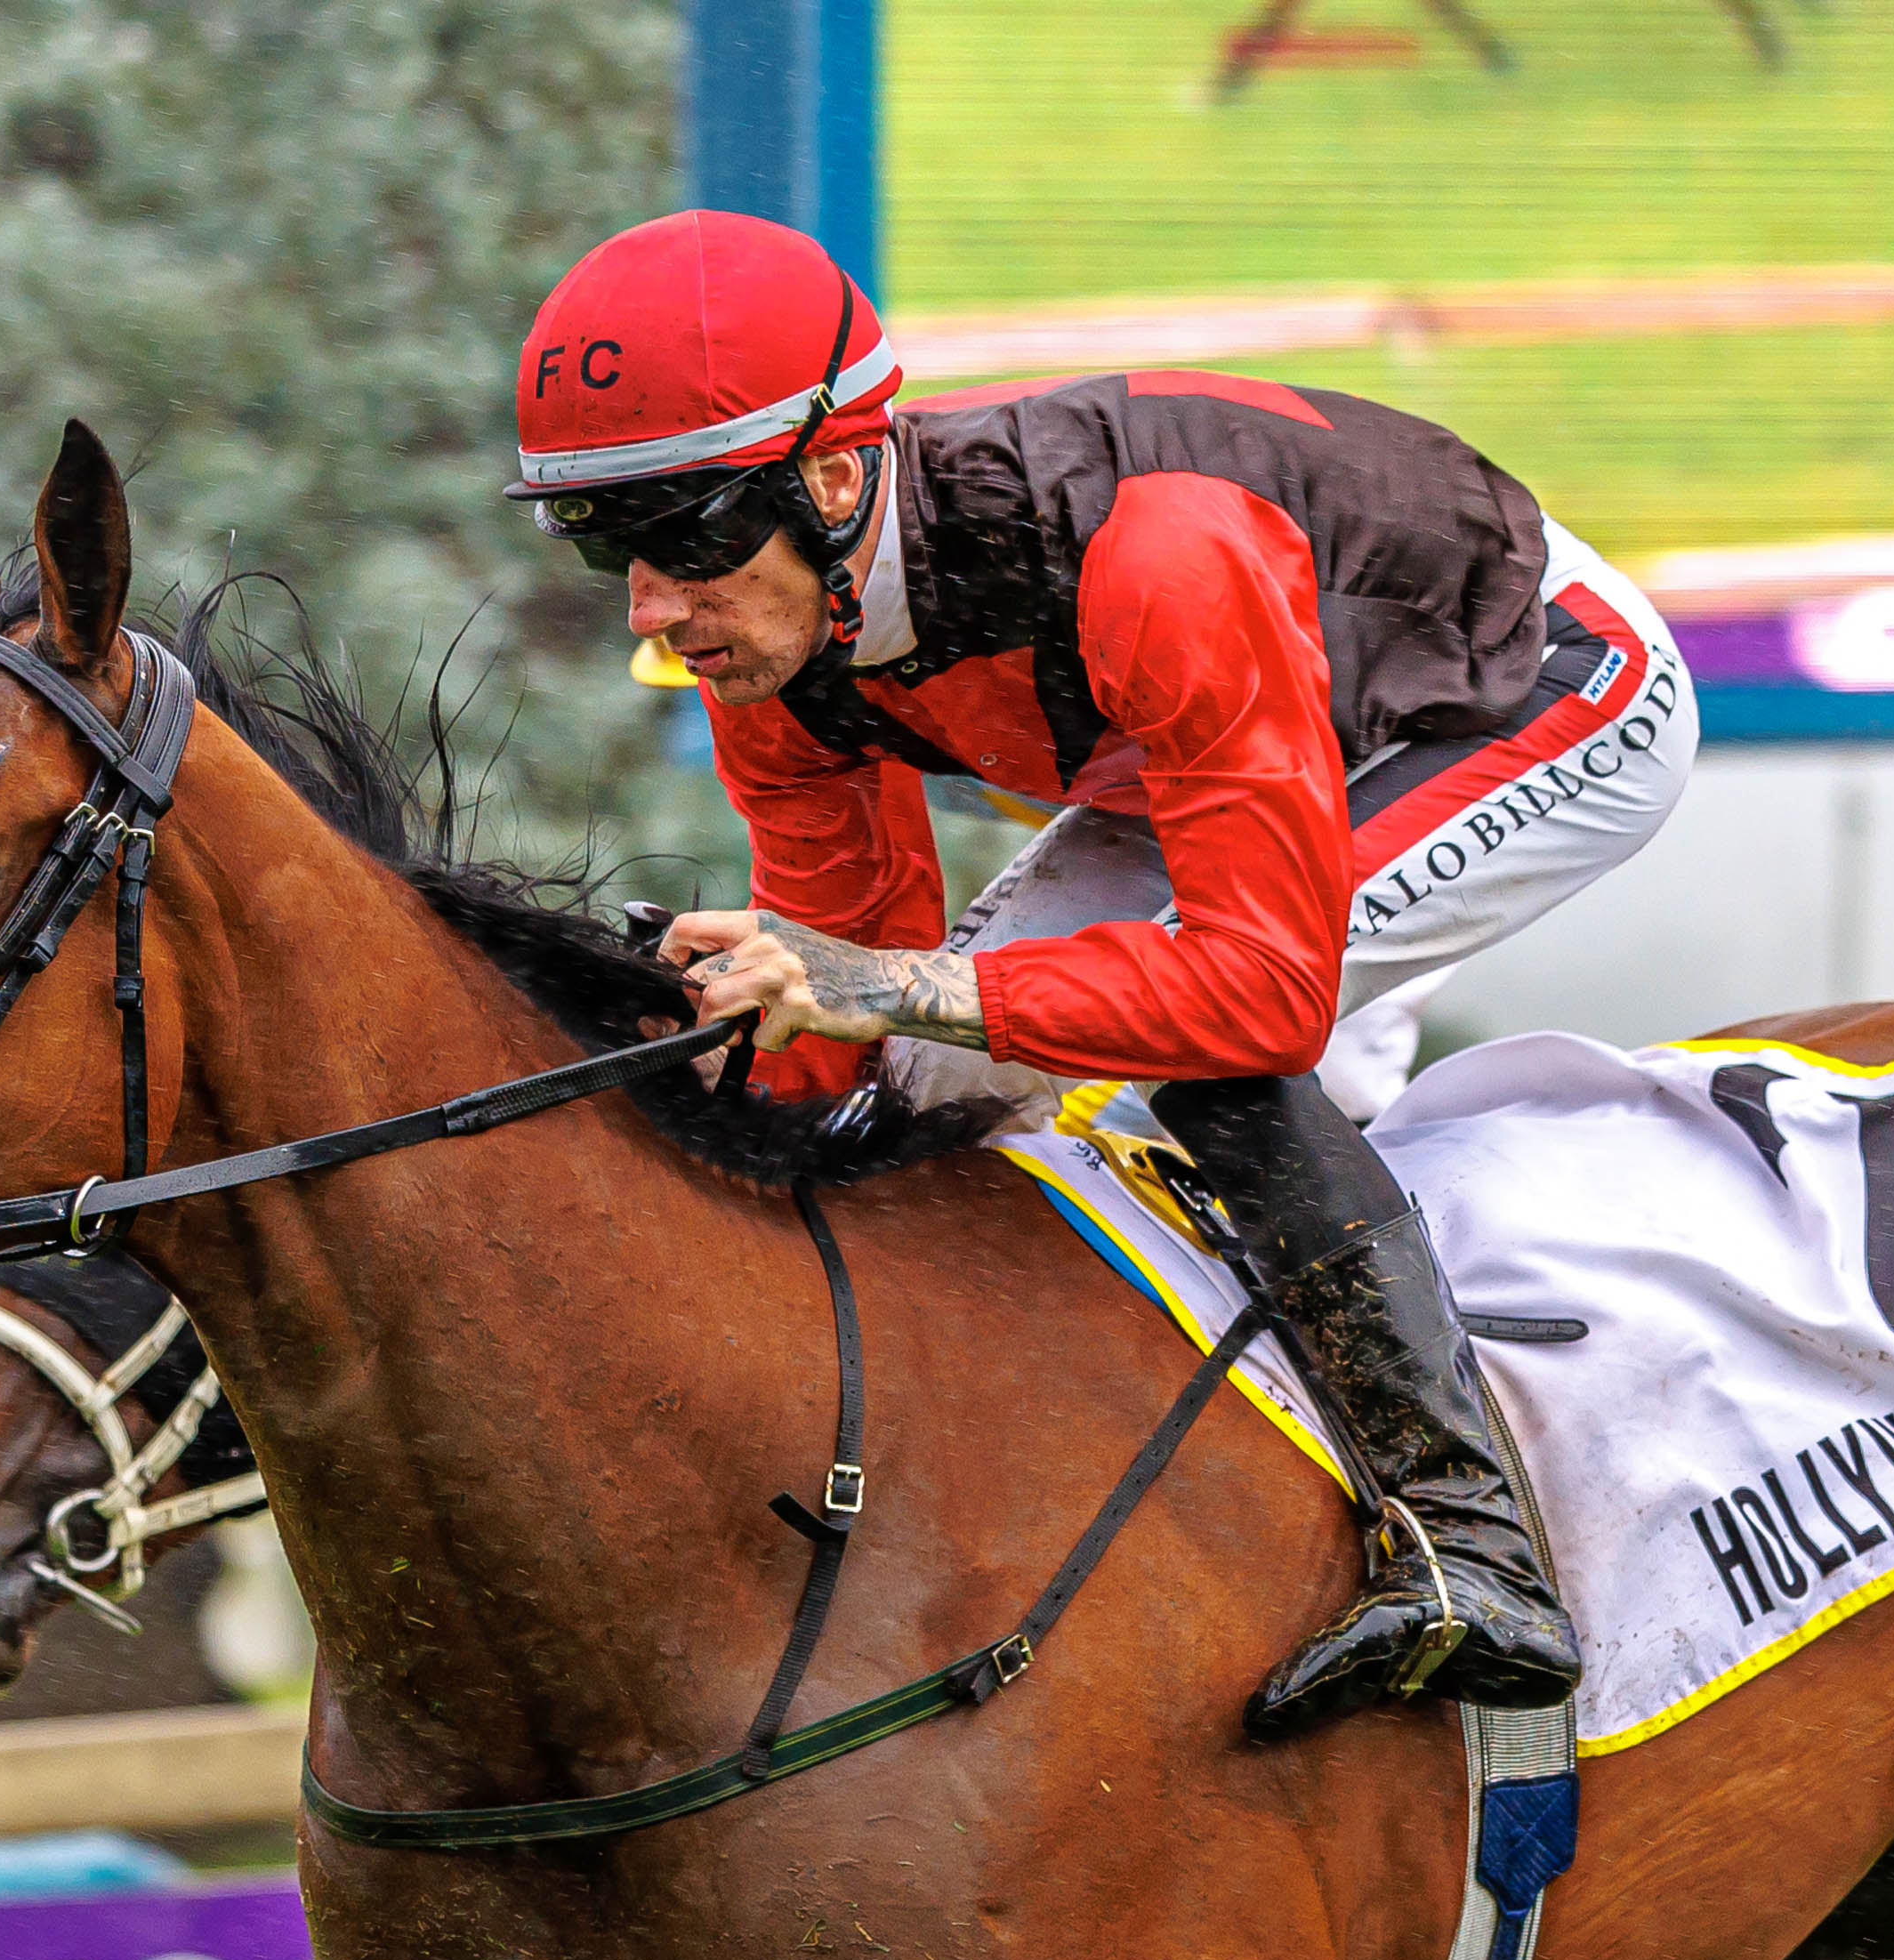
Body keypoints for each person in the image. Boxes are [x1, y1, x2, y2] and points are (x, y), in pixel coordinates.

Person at [505, 210, 1702, 1734]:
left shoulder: (1157, 556)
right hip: (1224, 720)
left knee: (1194, 1045)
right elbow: (838, 1034)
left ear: (832, 481)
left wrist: (893, 987)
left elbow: (1256, 994)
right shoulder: (766, 638)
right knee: (931, 1082)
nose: (653, 610)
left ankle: (1477, 1547)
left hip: (1523, 691)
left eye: (684, 540)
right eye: (606, 546)